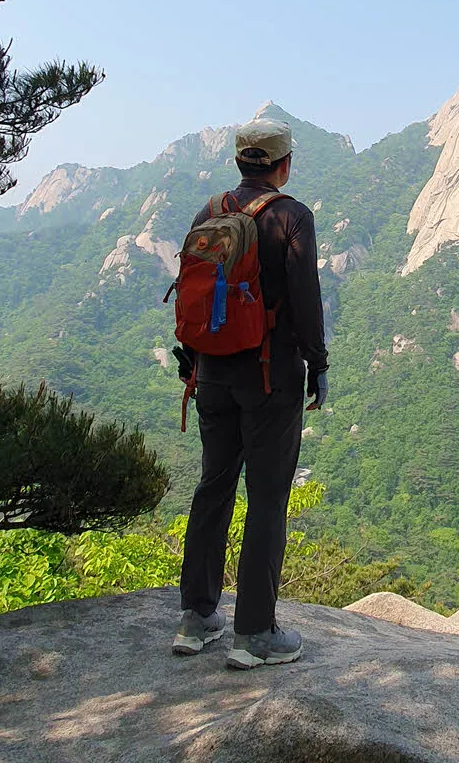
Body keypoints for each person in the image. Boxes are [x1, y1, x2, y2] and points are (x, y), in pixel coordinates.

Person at [172, 116, 329, 669]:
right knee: (266, 497)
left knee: (213, 485)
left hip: (209, 374)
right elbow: (305, 300)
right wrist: (318, 363)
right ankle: (255, 633)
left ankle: (196, 618)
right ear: (283, 165)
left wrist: (194, 362)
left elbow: (190, 298)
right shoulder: (291, 217)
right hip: (269, 377)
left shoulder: (207, 213)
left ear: (240, 161)